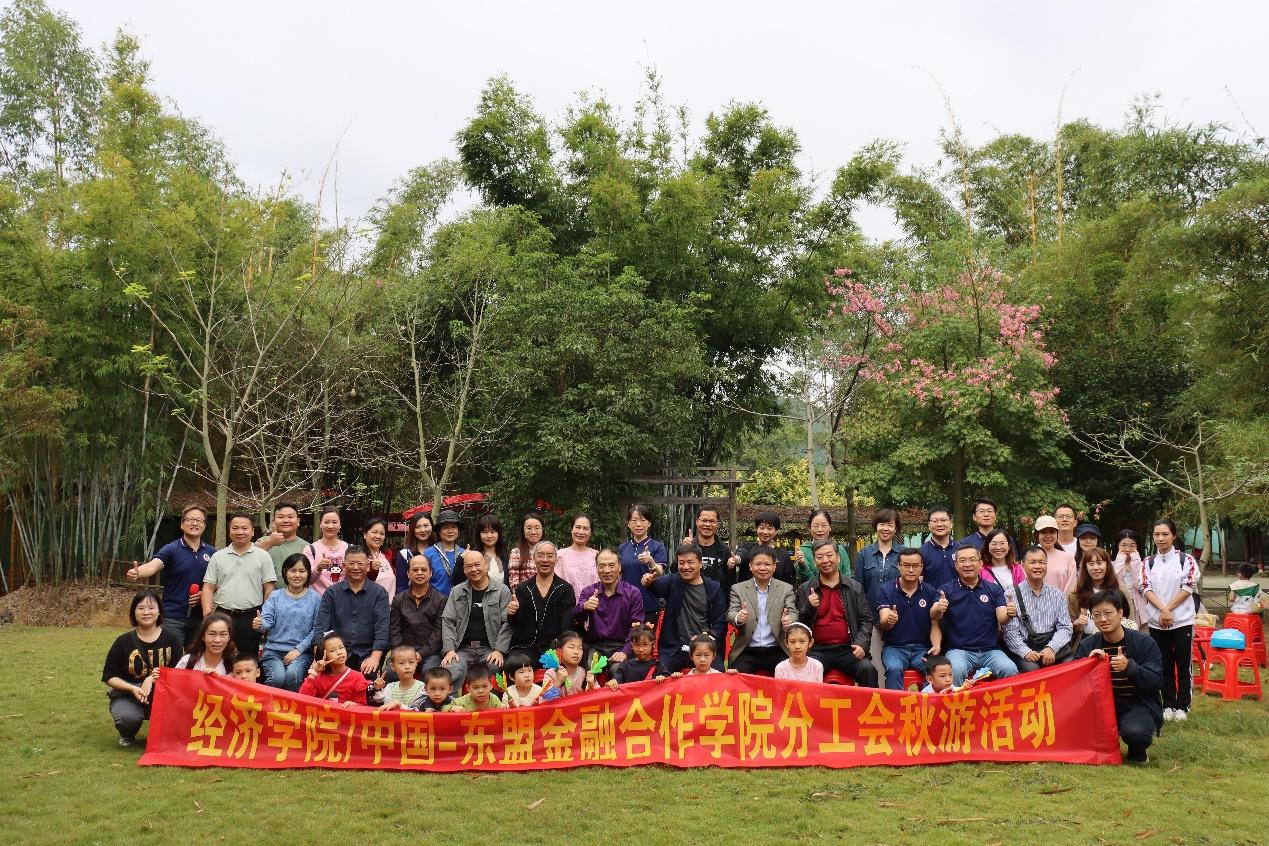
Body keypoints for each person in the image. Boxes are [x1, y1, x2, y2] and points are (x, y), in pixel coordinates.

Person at [1076, 589, 1165, 764]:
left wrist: (1130, 668)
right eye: (1096, 615)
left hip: (1136, 703)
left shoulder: (1144, 642)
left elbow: (1156, 680)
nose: (1103, 619)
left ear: (1120, 613)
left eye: (1108, 613)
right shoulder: (1088, 645)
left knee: (1135, 732)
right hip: (1100, 706)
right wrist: (1088, 665)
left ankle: (1137, 750)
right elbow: (1075, 681)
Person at [101, 589, 183, 746]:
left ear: (159, 611)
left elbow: (179, 673)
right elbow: (109, 677)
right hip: (129, 695)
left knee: (182, 714)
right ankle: (127, 734)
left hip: (163, 695)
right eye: (141, 608)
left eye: (151, 608)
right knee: (127, 719)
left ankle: (164, 732)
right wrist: (133, 688)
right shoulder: (123, 642)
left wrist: (151, 679)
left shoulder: (172, 640)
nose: (146, 612)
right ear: (134, 612)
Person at [125, 504, 214, 649]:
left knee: (195, 659)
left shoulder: (212, 553)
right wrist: (137, 572)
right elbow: (153, 566)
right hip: (172, 617)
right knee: (171, 658)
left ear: (204, 525)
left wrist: (204, 594)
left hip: (199, 618)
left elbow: (219, 582)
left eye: (199, 520)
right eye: (190, 519)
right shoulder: (172, 549)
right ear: (182, 524)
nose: (194, 523)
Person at [794, 539, 879, 687]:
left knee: (868, 670)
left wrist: (861, 644)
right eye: (819, 557)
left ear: (838, 558)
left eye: (829, 555)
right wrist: (809, 606)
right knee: (805, 672)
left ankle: (869, 704)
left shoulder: (854, 587)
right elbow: (799, 626)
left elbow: (866, 620)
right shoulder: (805, 589)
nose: (825, 560)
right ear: (814, 561)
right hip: (817, 650)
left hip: (848, 648)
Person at [1139, 518, 1199, 722]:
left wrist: (1169, 609)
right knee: (1163, 664)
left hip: (1182, 621)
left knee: (1183, 664)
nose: (1161, 538)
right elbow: (1145, 588)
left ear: (1174, 536)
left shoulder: (1186, 560)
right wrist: (1163, 610)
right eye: (1157, 534)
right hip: (1157, 622)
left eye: (1165, 534)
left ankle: (1183, 705)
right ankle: (1168, 704)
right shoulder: (1148, 562)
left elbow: (1188, 586)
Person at [934, 545, 1018, 685]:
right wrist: (938, 608)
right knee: (956, 671)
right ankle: (957, 700)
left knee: (1009, 669)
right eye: (963, 560)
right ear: (956, 565)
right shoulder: (946, 590)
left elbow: (1002, 619)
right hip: (959, 650)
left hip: (990, 650)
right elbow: (934, 614)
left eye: (972, 560)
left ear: (980, 564)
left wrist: (1009, 613)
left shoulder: (993, 589)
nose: (967, 564)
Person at [641, 541, 727, 675]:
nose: (685, 567)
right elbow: (657, 587)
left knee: (719, 676)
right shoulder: (673, 581)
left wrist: (708, 636)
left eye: (690, 562)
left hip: (703, 648)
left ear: (700, 564)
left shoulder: (713, 588)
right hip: (675, 649)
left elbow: (720, 621)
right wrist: (649, 582)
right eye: (681, 563)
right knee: (660, 675)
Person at [201, 513, 275, 658]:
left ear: (252, 531)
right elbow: (208, 587)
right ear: (229, 530)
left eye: (244, 528)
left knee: (247, 659)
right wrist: (207, 614)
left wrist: (264, 616)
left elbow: (269, 588)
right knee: (219, 656)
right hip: (222, 615)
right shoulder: (218, 556)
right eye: (235, 528)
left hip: (251, 617)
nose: (239, 532)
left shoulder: (263, 556)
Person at [311, 544, 390, 677]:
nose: (356, 567)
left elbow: (382, 628)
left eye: (360, 563)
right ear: (343, 566)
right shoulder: (332, 593)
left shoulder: (379, 593)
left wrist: (375, 657)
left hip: (367, 653)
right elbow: (321, 627)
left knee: (370, 675)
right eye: (351, 563)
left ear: (368, 566)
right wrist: (318, 658)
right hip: (337, 653)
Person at [440, 549, 513, 688]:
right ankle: (453, 700)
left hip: (490, 648)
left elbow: (507, 623)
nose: (474, 569)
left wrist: (499, 650)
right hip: (463, 649)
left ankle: (492, 701)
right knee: (451, 667)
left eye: (477, 565)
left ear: (486, 565)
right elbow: (448, 621)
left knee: (494, 667)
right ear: (464, 570)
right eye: (469, 566)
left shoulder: (502, 591)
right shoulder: (457, 591)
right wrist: (449, 650)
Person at [876, 547, 943, 689]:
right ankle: (895, 703)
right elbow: (884, 620)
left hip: (922, 648)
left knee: (936, 670)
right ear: (898, 566)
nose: (911, 570)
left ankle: (927, 702)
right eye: (906, 565)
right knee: (894, 669)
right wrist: (889, 620)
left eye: (915, 565)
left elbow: (934, 622)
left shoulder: (930, 592)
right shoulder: (886, 589)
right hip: (894, 648)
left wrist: (936, 645)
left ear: (921, 567)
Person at [1003, 546, 1074, 672]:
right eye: (1032, 562)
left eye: (1041, 562)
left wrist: (1052, 648)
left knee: (1069, 666)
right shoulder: (1011, 595)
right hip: (1025, 648)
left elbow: (1065, 627)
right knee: (1032, 669)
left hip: (1053, 646)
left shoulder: (1057, 594)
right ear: (1023, 565)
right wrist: (1026, 652)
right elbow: (1010, 632)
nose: (1037, 566)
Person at [727, 545, 796, 675]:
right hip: (747, 649)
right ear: (750, 566)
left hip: (777, 649)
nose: (763, 568)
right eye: (758, 564)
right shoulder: (738, 589)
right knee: (738, 678)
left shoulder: (786, 589)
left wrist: (789, 620)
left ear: (774, 566)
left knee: (787, 677)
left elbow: (793, 612)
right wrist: (738, 617)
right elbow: (731, 612)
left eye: (767, 564)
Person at [257, 553, 320, 691]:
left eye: (302, 571)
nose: (297, 575)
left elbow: (317, 629)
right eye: (293, 570)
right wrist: (260, 624)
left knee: (293, 675)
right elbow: (266, 622)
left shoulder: (315, 598)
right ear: (285, 572)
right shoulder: (275, 596)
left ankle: (292, 705)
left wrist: (299, 649)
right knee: (277, 678)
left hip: (302, 653)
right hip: (273, 651)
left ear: (308, 573)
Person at [509, 541, 577, 663]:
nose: (545, 560)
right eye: (540, 555)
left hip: (554, 647)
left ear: (556, 559)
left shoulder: (565, 589)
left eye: (550, 556)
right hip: (525, 647)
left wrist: (560, 647)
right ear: (533, 558)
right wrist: (512, 613)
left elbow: (567, 626)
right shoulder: (523, 588)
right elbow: (516, 624)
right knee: (516, 664)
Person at [574, 548, 645, 663]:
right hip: (595, 646)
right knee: (591, 667)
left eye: (611, 565)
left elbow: (637, 627)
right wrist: (585, 607)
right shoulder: (588, 592)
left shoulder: (633, 593)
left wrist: (625, 651)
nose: (606, 571)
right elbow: (576, 618)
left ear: (619, 567)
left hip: (622, 645)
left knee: (618, 669)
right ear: (596, 568)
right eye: (601, 566)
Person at [1069, 547, 1136, 653]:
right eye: (1091, 564)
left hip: (1117, 643)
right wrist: (1076, 625)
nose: (1096, 568)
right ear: (1085, 567)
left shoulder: (1121, 590)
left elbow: (1130, 619)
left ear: (1107, 565)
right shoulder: (1075, 594)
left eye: (1100, 563)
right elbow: (1067, 628)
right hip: (1086, 643)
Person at [389, 555, 445, 676]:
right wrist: (404, 654)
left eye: (423, 570)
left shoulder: (441, 600)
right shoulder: (398, 599)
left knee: (429, 672)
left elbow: (439, 633)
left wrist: (421, 654)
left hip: (430, 653)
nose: (419, 573)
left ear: (430, 573)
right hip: (403, 652)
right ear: (408, 573)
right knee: (389, 673)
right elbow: (394, 631)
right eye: (415, 570)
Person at [618, 504, 669, 617]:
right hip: (625, 604)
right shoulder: (622, 548)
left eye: (642, 520)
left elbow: (659, 572)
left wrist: (651, 561)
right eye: (634, 520)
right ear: (628, 523)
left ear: (649, 523)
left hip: (648, 604)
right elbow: (619, 575)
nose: (638, 524)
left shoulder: (657, 546)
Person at [299, 632, 369, 706]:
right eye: (332, 651)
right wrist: (313, 672)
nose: (339, 652)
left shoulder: (357, 678)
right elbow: (302, 699)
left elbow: (363, 706)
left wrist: (355, 705)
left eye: (341, 648)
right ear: (324, 656)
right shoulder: (318, 677)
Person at [734, 511, 799, 586]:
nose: (765, 532)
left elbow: (789, 581)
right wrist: (737, 559)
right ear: (756, 529)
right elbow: (741, 554)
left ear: (776, 531)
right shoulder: (746, 547)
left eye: (769, 528)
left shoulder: (783, 555)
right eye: (761, 528)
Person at [856, 508, 902, 611]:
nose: (885, 528)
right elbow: (859, 586)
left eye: (890, 525)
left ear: (895, 529)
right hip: (870, 613)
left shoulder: (904, 553)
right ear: (876, 526)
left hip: (898, 612)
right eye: (882, 524)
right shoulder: (864, 553)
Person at [255, 501, 309, 584]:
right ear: (273, 521)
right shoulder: (262, 541)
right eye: (281, 517)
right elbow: (248, 559)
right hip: (266, 592)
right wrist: (270, 542)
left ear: (298, 521)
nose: (286, 520)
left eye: (290, 517)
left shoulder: (307, 547)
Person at [686, 505, 736, 595]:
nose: (708, 524)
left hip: (717, 601)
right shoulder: (687, 547)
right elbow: (675, 572)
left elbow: (731, 583)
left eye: (712, 521)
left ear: (717, 524)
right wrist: (686, 549)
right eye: (704, 520)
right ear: (697, 521)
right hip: (691, 599)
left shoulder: (725, 551)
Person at [798, 509, 852, 583]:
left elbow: (847, 576)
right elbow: (804, 580)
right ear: (809, 528)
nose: (820, 529)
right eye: (815, 526)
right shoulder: (802, 551)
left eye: (824, 525)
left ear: (830, 527)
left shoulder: (840, 550)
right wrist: (802, 564)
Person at [305, 508, 349, 595]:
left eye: (334, 522)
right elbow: (307, 580)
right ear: (320, 524)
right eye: (326, 522)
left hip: (343, 599)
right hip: (318, 600)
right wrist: (318, 568)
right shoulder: (310, 549)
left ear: (340, 525)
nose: (330, 526)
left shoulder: (349, 549)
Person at [541, 631, 598, 695]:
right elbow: (544, 699)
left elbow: (600, 697)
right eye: (571, 647)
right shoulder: (551, 674)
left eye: (580, 648)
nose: (576, 652)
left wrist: (592, 686)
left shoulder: (586, 673)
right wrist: (558, 682)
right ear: (559, 651)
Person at [425, 509, 466, 596]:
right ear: (439, 531)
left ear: (458, 531)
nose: (450, 531)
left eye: (453, 527)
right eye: (445, 528)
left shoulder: (464, 553)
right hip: (435, 602)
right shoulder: (428, 554)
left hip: (460, 601)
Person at [555, 513, 599, 595]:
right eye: (578, 527)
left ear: (590, 533)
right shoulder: (560, 555)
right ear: (571, 529)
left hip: (593, 601)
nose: (581, 532)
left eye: (585, 528)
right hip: (566, 602)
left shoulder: (597, 556)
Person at [1113, 529, 1149, 628]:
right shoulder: (1112, 564)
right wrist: (1120, 561)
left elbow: (1139, 586)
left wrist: (1135, 563)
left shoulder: (1143, 564)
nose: (1128, 549)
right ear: (1117, 546)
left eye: (1132, 546)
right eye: (1123, 545)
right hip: (1118, 602)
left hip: (1137, 603)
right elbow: (1113, 583)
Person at [918, 506, 959, 591]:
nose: (939, 524)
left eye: (943, 520)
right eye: (935, 521)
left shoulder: (961, 550)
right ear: (929, 525)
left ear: (951, 524)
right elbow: (918, 582)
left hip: (959, 598)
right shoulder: (921, 552)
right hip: (932, 598)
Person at [394, 512, 434, 596]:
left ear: (432, 526)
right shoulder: (405, 554)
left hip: (437, 600)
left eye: (426, 526)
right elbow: (401, 585)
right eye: (418, 527)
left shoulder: (439, 551)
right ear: (412, 529)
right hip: (412, 600)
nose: (423, 530)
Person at [1034, 515, 1078, 593]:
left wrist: (1061, 600)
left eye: (1052, 532)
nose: (1048, 536)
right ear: (1037, 535)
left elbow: (1071, 588)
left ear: (1057, 533)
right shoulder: (1029, 558)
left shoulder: (1068, 558)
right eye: (1043, 532)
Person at [377, 645, 424, 711]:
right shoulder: (390, 688)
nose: (407, 666)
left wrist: (400, 705)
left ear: (416, 663)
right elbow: (381, 705)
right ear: (392, 666)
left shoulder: (422, 688)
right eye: (401, 663)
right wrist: (378, 689)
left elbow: (418, 711)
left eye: (411, 662)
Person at [443, 664, 507, 711]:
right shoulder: (462, 702)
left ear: (491, 685)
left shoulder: (494, 700)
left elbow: (502, 714)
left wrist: (506, 708)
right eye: (475, 687)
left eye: (484, 686)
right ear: (468, 688)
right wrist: (452, 708)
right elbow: (443, 709)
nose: (481, 691)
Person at [506, 511, 545, 591]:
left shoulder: (550, 552)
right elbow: (514, 584)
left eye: (537, 528)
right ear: (523, 531)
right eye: (529, 528)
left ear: (542, 530)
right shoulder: (516, 553)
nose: (533, 532)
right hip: (524, 596)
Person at [362, 517, 397, 602]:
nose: (378, 536)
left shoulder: (389, 556)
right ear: (365, 535)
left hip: (390, 607)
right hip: (369, 607)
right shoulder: (359, 557)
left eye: (382, 533)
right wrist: (371, 570)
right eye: (374, 532)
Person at [474, 512, 508, 585]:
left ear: (499, 533)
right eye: (485, 532)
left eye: (493, 532)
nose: (489, 536)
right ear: (479, 534)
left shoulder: (505, 557)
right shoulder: (473, 556)